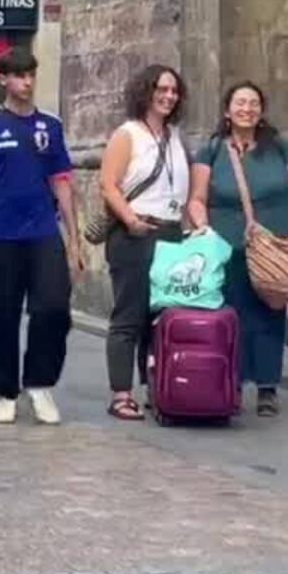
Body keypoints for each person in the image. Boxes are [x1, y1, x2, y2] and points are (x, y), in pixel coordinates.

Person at [0, 48, 84, 425]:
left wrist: (74, 241)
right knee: (0, 313)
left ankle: (40, 383)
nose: (27, 82)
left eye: (31, 74)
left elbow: (62, 182)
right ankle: (6, 390)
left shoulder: (50, 125)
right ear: (3, 79)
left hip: (43, 232)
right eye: (19, 76)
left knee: (53, 307)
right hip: (0, 233)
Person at [186, 81, 288, 417]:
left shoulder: (282, 148)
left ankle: (268, 386)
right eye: (240, 103)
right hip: (227, 248)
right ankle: (234, 382)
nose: (247, 109)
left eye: (254, 103)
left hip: (275, 249)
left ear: (261, 110)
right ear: (228, 111)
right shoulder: (211, 150)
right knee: (232, 315)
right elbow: (197, 198)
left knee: (270, 313)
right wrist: (203, 228)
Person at [97, 63, 191, 421]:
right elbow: (108, 184)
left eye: (173, 91)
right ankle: (121, 394)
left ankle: (156, 385)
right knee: (129, 315)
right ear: (145, 92)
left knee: (161, 315)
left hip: (170, 231)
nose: (168, 96)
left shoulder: (176, 136)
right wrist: (130, 219)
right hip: (134, 232)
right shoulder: (128, 134)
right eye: (161, 89)